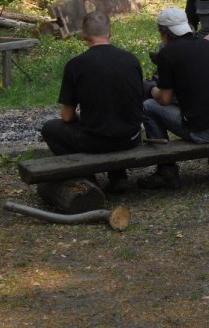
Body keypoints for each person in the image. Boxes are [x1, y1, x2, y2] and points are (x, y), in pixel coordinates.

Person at [140, 7, 209, 189]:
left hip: (205, 132)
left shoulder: (167, 54)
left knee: (148, 106)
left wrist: (151, 89)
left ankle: (166, 171)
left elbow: (164, 99)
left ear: (164, 34)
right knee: (207, 103)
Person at [40, 11, 143, 193]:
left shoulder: (76, 65)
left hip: (97, 141)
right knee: (111, 122)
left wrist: (80, 117)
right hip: (131, 137)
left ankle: (86, 176)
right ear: (110, 33)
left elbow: (66, 116)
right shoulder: (131, 59)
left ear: (84, 35)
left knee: (50, 128)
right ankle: (118, 177)